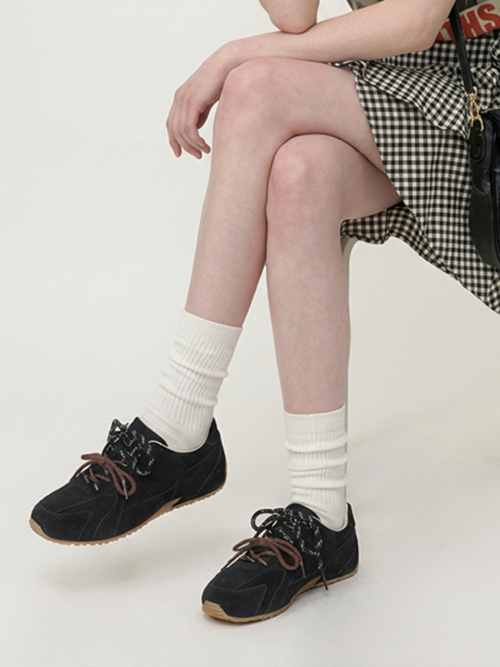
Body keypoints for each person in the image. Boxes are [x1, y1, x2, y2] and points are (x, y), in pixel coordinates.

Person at [29, 0, 500, 623]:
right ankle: (322, 514)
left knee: (254, 87)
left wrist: (232, 53)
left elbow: (410, 23)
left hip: (478, 92)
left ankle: (178, 422)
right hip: (390, 84)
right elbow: (295, 16)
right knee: (300, 176)